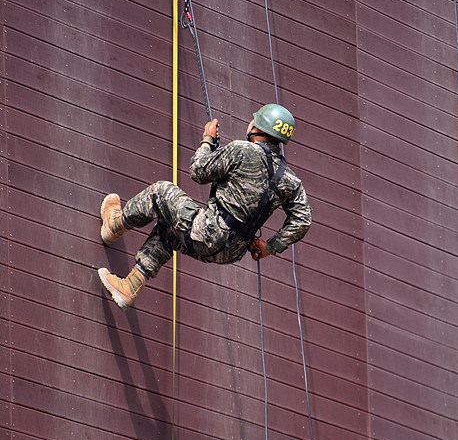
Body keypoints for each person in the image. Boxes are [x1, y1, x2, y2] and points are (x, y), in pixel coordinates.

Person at [98, 103, 312, 310]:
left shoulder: (242, 150)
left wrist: (207, 142)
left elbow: (198, 171)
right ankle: (130, 287)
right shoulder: (290, 180)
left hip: (208, 231)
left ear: (257, 127)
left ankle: (115, 224)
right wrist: (271, 247)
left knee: (161, 192)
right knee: (168, 231)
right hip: (230, 253)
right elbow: (303, 220)